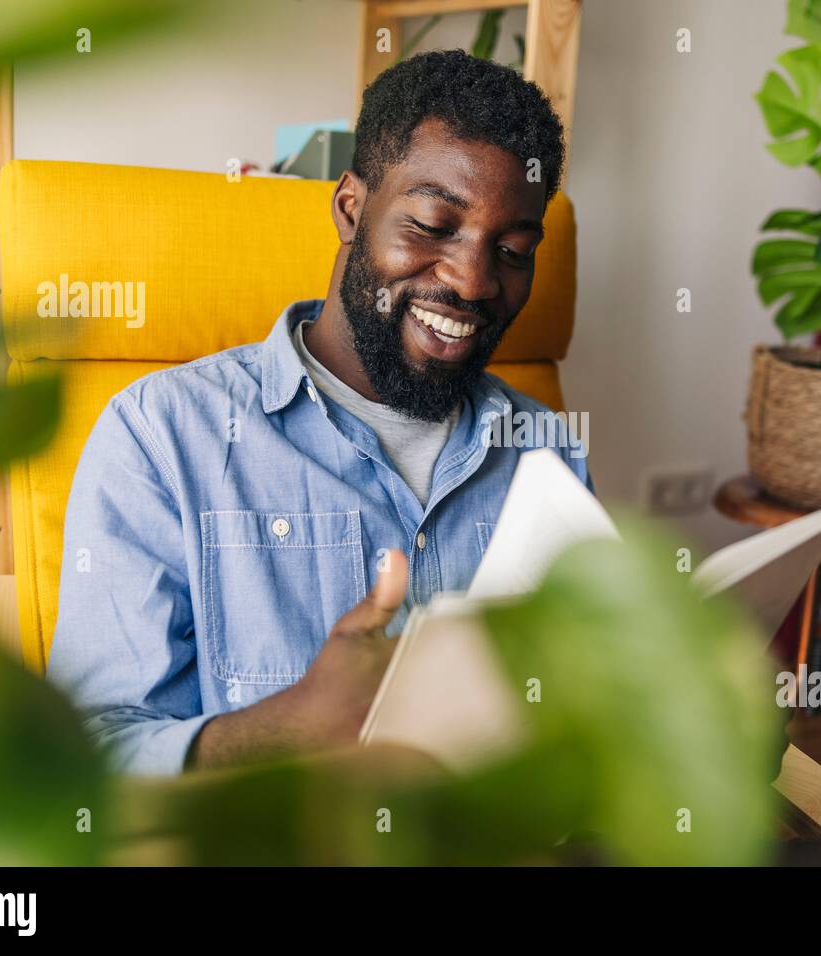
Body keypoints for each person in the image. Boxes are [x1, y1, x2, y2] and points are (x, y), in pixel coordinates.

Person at [47, 50, 590, 774]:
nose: (473, 280)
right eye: (432, 224)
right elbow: (80, 760)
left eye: (514, 249)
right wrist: (286, 730)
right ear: (351, 209)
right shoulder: (160, 436)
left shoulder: (547, 448)